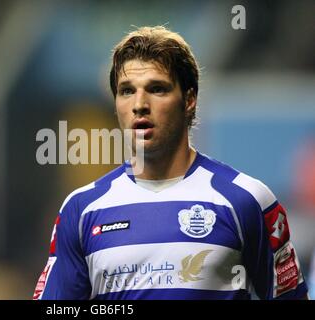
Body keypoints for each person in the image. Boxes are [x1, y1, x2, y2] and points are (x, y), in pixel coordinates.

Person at [33, 26, 308, 300]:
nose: (139, 104)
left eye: (157, 89)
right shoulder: (81, 210)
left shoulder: (247, 200)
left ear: (189, 100)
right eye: (127, 91)